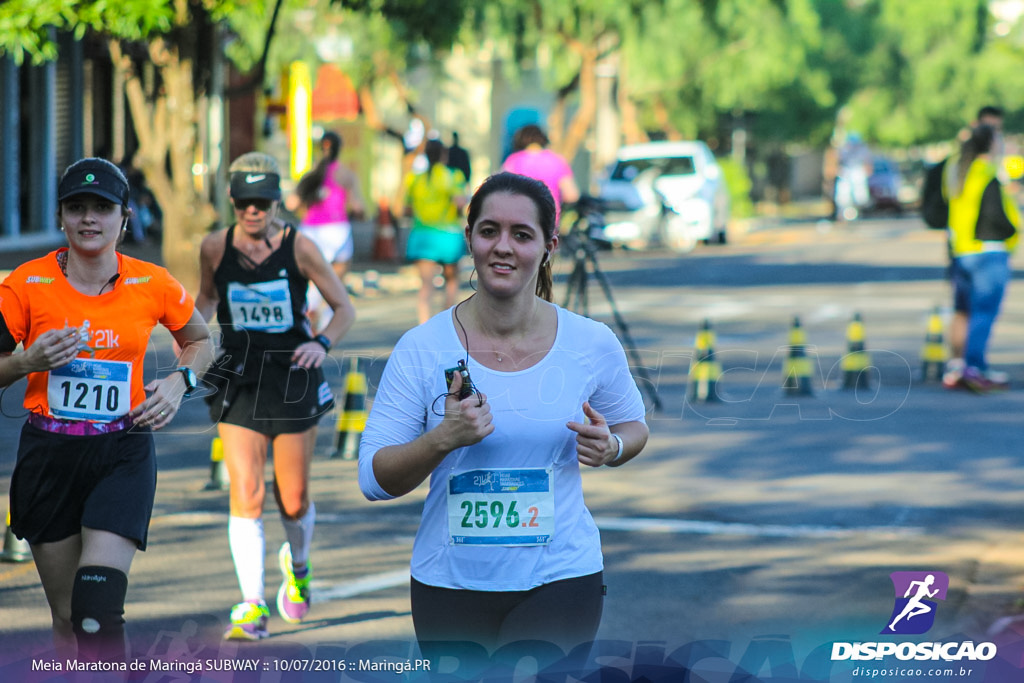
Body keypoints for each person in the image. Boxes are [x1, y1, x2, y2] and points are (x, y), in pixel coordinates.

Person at [358, 172, 649, 661]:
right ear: (468, 238)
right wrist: (442, 439)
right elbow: (373, 478)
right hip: (448, 581)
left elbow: (634, 427)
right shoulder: (422, 348)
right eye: (489, 231)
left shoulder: (590, 342)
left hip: (561, 576)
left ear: (548, 245)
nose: (503, 247)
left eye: (521, 234)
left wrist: (612, 446)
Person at [0, 157, 213, 660]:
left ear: (124, 217)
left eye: (102, 207)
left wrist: (181, 382)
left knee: (96, 612)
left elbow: (200, 340)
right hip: (48, 455)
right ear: (61, 217)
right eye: (77, 207)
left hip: (122, 451)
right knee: (67, 618)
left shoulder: (151, 282)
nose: (89, 218)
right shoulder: (24, 285)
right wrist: (26, 360)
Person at [196, 152, 356, 640]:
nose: (252, 211)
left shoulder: (300, 247)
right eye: (244, 202)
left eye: (261, 202)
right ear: (232, 200)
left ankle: (299, 566)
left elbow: (343, 308)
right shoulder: (214, 247)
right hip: (239, 375)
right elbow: (206, 298)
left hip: (291, 375)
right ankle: (250, 604)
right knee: (246, 493)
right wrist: (190, 332)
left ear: (275, 200)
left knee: (293, 497)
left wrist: (320, 342)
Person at [946, 123, 1019, 392]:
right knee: (983, 313)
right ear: (990, 144)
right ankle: (974, 366)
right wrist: (1012, 231)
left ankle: (960, 365)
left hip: (962, 252)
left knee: (964, 311)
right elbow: (995, 214)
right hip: (989, 253)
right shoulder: (988, 173)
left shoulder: (959, 172)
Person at [291, 131, 365, 330]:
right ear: (339, 149)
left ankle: (311, 308)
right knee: (336, 275)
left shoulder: (309, 175)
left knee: (313, 274)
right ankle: (324, 317)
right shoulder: (346, 174)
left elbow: (291, 203)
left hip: (309, 230)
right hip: (336, 230)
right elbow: (358, 206)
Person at [400, 138, 468, 325]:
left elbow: (405, 207)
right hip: (448, 236)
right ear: (444, 155)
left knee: (426, 286)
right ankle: (446, 324)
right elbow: (460, 202)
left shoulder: (414, 178)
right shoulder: (453, 176)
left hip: (422, 235)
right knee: (452, 282)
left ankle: (424, 325)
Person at [502, 124, 580, 223]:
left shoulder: (513, 161)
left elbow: (502, 190)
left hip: (520, 220)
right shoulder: (557, 160)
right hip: (549, 221)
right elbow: (572, 195)